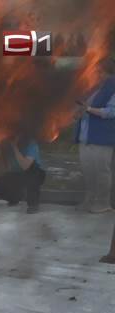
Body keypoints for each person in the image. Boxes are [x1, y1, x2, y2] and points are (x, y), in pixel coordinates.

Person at [76, 58, 115, 214]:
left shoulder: (113, 87)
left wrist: (89, 109)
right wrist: (78, 112)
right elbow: (85, 107)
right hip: (86, 136)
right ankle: (89, 200)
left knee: (101, 171)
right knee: (88, 170)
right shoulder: (95, 87)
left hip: (102, 137)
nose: (96, 73)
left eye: (99, 70)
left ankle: (103, 203)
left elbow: (112, 112)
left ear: (107, 70)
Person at [0, 137, 46, 214]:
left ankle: (33, 204)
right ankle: (14, 198)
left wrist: (15, 147)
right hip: (18, 174)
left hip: (35, 173)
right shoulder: (7, 145)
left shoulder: (31, 144)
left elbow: (25, 165)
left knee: (32, 175)